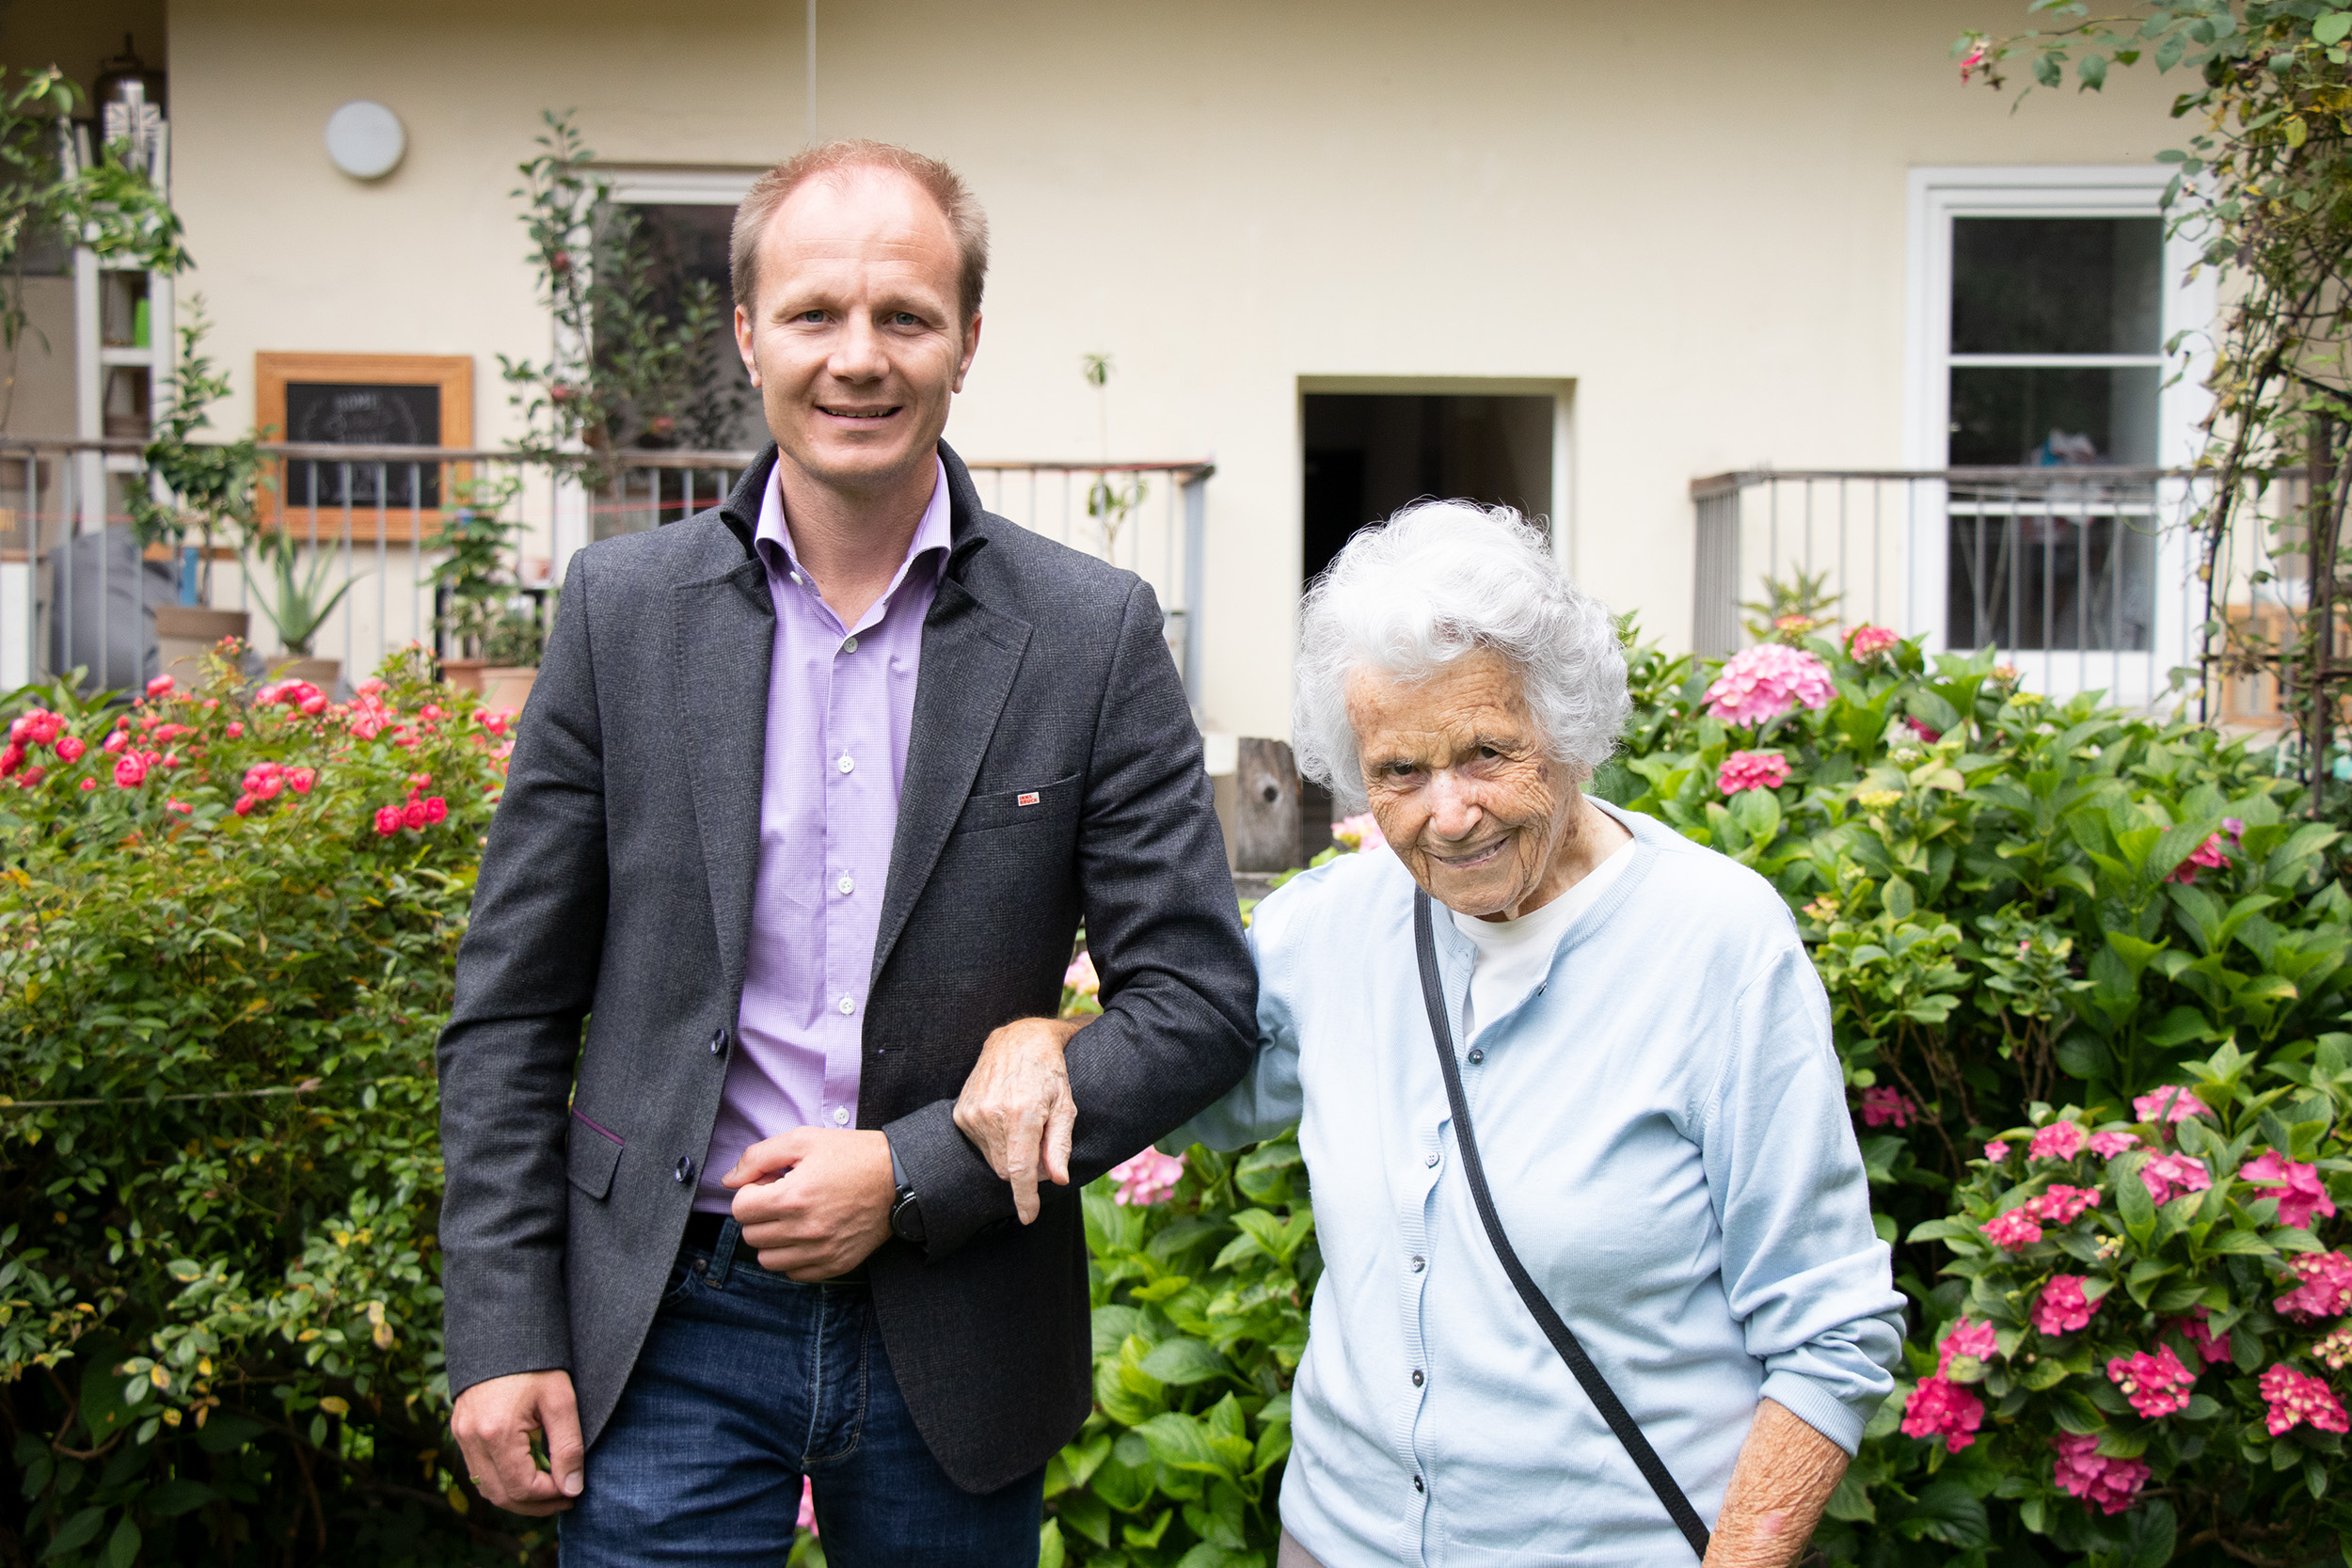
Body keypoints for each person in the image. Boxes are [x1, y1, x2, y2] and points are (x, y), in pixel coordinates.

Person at [436, 140, 1257, 1566]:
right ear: (749, 331)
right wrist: (502, 1326)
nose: (858, 358)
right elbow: (511, 1006)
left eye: (906, 317)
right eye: (815, 314)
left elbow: (1195, 1000)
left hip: (958, 1315)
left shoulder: (1090, 631)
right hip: (669, 1315)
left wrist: (911, 1168)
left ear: (969, 341)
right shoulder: (622, 614)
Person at [966, 501, 1905, 1566]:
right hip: (1338, 1539)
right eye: (1400, 772)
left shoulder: (1718, 945)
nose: (1446, 812)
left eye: (1486, 752)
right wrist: (1044, 1037)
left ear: (1567, 727)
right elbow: (1184, 1082)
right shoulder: (1330, 925)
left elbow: (1829, 1331)